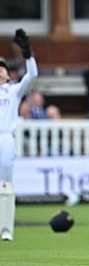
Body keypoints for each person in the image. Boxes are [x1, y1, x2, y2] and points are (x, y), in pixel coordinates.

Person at [0, 29, 38, 241]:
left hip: (5, 138)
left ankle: (6, 229)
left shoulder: (13, 90)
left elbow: (32, 76)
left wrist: (28, 53)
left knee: (5, 184)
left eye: (2, 69)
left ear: (8, 74)